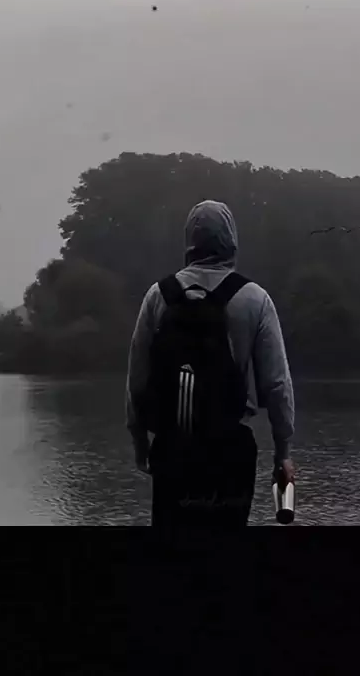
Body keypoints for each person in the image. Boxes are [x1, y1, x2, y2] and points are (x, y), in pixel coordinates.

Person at [126, 200, 295, 532]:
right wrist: (283, 453)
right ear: (231, 240)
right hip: (230, 452)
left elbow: (137, 379)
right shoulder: (255, 298)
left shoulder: (158, 295)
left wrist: (140, 443)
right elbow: (277, 385)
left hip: (172, 450)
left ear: (189, 241)